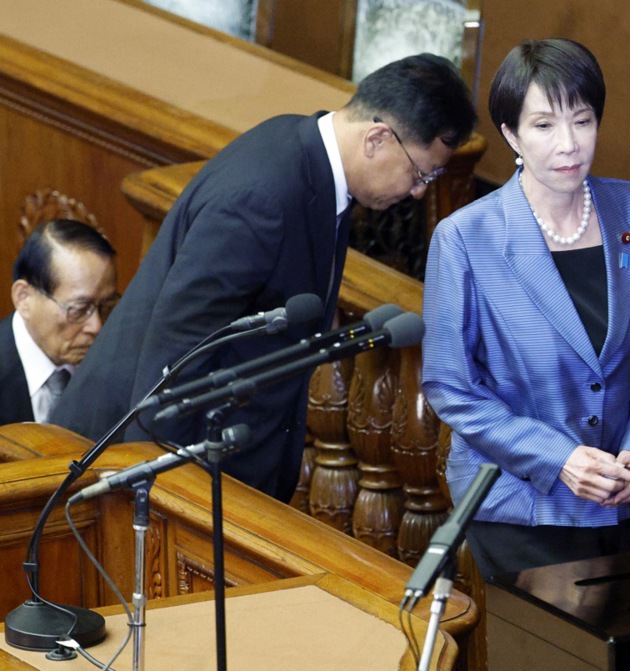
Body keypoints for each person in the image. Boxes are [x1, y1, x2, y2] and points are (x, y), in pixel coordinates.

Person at [52, 53, 477, 502]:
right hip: (133, 465)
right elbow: (177, 351)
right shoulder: (263, 196)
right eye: (420, 172)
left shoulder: (304, 152)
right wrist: (157, 495)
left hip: (225, 462)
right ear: (377, 139)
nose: (419, 191)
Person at [421, 38, 630, 578]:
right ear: (511, 135)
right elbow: (452, 388)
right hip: (516, 501)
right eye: (544, 125)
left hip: (610, 493)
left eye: (582, 121)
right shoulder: (465, 237)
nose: (569, 144)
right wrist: (560, 458)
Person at [1, 219, 118, 426]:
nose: (96, 326)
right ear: (24, 298)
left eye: (106, 306)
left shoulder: (114, 361)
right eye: (79, 309)